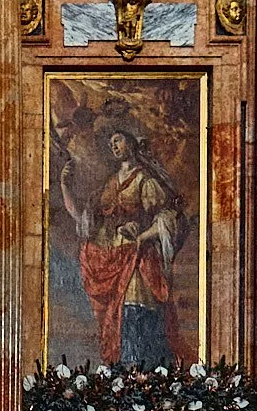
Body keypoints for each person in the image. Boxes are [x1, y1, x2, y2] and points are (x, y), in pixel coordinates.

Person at [65, 123, 187, 367]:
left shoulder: (144, 180)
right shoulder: (109, 185)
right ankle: (124, 376)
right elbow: (85, 219)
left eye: (118, 140)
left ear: (130, 143)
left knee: (135, 307)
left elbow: (168, 218)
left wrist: (141, 236)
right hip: (113, 257)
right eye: (111, 143)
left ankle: (144, 373)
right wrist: (64, 185)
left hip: (138, 258)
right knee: (116, 315)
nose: (114, 145)